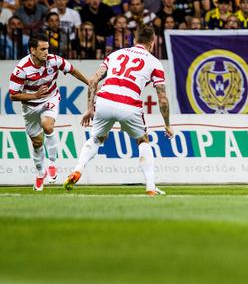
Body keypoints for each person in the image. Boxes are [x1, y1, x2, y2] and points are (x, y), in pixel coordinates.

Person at [65, 24, 172, 196]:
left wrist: (89, 108)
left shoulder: (115, 54)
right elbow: (163, 100)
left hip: (105, 100)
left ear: (134, 39)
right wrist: (167, 124)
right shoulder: (155, 63)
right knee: (143, 141)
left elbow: (93, 81)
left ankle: (77, 169)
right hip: (129, 104)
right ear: (152, 43)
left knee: (97, 138)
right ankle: (151, 187)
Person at [8, 33, 89, 191]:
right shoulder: (21, 69)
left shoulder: (54, 60)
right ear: (32, 50)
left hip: (50, 99)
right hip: (30, 105)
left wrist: (90, 83)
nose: (46, 52)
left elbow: (72, 70)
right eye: (42, 49)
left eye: (47, 48)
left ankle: (52, 163)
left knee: (48, 126)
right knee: (37, 143)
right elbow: (13, 95)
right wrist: (34, 95)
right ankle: (40, 173)